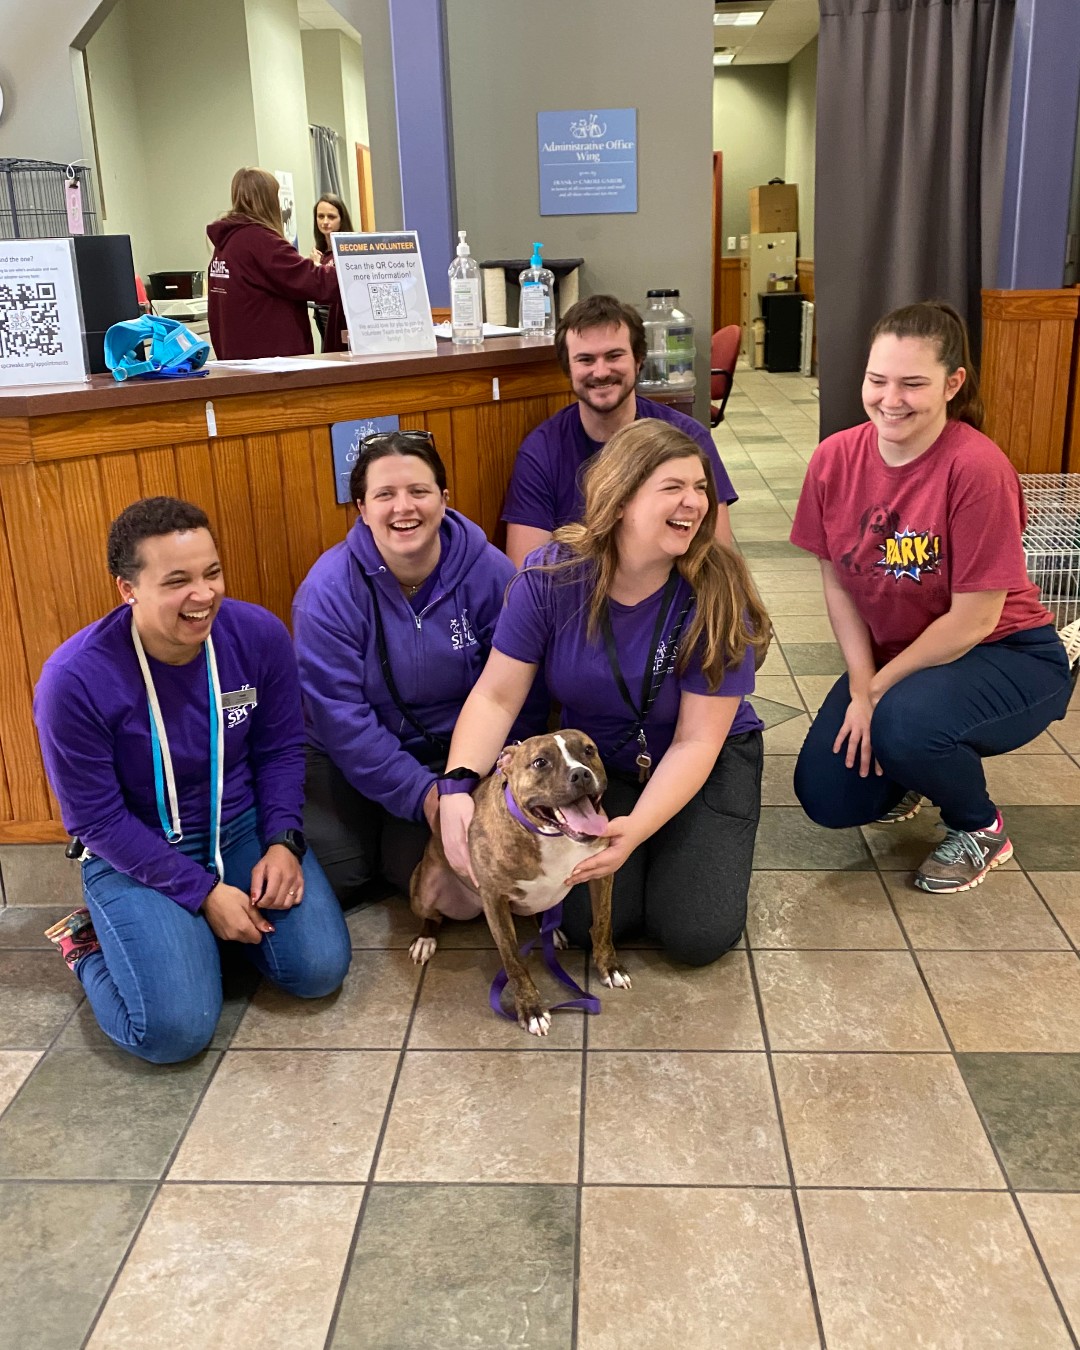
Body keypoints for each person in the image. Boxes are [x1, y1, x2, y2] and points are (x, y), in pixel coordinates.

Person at [33, 498, 352, 1064]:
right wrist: (201, 893)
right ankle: (87, 946)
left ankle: (190, 942)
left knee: (319, 971)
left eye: (212, 572)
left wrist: (283, 841)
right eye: (177, 581)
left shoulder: (258, 635)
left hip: (242, 827)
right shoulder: (72, 679)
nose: (203, 595)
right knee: (174, 1033)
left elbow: (279, 749)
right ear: (127, 589)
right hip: (135, 847)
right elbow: (95, 819)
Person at [438, 419, 768, 966]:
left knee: (695, 933)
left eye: (700, 488)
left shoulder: (717, 589)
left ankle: (693, 837)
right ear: (618, 501)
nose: (695, 503)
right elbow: (496, 696)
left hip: (703, 756)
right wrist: (456, 787)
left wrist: (634, 832)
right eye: (673, 488)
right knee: (585, 914)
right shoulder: (550, 578)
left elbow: (695, 742)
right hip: (601, 764)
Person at [790, 301, 1073, 893]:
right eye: (877, 379)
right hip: (901, 657)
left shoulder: (976, 467)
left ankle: (979, 826)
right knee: (830, 797)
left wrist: (876, 694)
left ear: (952, 383)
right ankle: (915, 764)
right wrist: (862, 683)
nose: (891, 398)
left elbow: (974, 619)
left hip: (1007, 652)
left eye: (913, 383)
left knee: (902, 725)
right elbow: (837, 580)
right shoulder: (833, 458)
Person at [293, 430, 544, 907]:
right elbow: (343, 722)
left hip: (463, 753)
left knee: (462, 887)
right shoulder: (326, 593)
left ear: (445, 500)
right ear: (362, 509)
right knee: (343, 875)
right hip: (351, 758)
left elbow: (523, 690)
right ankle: (387, 830)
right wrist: (425, 797)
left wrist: (491, 779)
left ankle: (399, 840)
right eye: (384, 495)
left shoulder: (491, 573)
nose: (402, 507)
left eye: (419, 491)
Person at [501, 294, 738, 567]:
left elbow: (719, 559)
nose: (601, 372)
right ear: (568, 368)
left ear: (638, 360)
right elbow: (526, 571)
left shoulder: (688, 439)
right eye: (586, 360)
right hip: (577, 600)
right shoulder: (541, 451)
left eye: (614, 356)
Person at [207, 167, 340, 360]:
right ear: (269, 199)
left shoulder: (225, 245)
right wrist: (359, 272)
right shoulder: (259, 241)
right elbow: (313, 281)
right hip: (272, 367)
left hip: (238, 362)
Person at [308, 193, 353, 351]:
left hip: (343, 330)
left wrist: (316, 266)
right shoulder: (321, 252)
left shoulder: (348, 251)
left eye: (331, 217)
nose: (325, 222)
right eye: (320, 216)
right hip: (325, 329)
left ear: (342, 219)